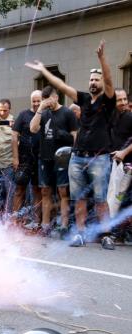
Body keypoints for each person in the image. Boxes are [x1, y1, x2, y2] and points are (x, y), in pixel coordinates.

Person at [26, 39, 116, 249]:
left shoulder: (108, 100)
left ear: (101, 83)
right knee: (79, 199)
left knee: (101, 199)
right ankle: (80, 233)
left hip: (99, 157)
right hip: (77, 157)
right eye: (91, 79)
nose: (93, 82)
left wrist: (102, 59)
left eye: (96, 79)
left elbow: (110, 80)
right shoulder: (83, 99)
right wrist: (43, 71)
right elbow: (61, 86)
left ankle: (106, 235)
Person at [30, 86, 77, 237]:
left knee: (63, 190)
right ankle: (45, 225)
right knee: (45, 190)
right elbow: (33, 128)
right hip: (45, 157)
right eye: (44, 100)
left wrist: (63, 136)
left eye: (49, 99)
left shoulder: (67, 113)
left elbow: (75, 136)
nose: (47, 102)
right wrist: (40, 109)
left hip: (63, 158)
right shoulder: (43, 113)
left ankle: (63, 224)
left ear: (56, 97)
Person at [12, 90, 42, 229]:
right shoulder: (23, 114)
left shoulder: (46, 115)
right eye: (34, 101)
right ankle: (14, 219)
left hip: (40, 159)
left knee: (37, 190)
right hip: (23, 159)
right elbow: (14, 136)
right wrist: (16, 158)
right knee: (19, 190)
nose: (36, 103)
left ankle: (36, 221)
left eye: (38, 101)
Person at [0, 99, 15, 216]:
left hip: (8, 162)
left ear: (9, 109)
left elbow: (8, 124)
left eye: (5, 110)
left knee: (9, 190)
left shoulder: (13, 121)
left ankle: (8, 215)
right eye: (0, 110)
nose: (2, 112)